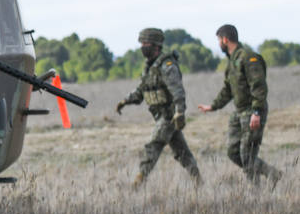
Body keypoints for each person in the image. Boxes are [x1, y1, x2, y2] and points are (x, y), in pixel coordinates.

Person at [116, 28, 200, 186]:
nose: (142, 46)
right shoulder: (149, 67)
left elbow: (178, 91)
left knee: (153, 145)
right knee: (182, 152)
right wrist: (125, 101)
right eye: (141, 43)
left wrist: (180, 112)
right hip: (160, 116)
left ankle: (138, 182)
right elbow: (142, 90)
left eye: (145, 43)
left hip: (168, 116)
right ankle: (198, 181)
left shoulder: (167, 65)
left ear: (155, 45)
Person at [198, 24, 281, 186]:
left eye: (218, 40)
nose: (218, 44)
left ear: (225, 39)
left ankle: (255, 193)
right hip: (240, 112)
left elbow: (259, 86)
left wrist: (256, 112)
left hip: (252, 111)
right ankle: (272, 173)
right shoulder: (232, 61)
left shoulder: (248, 58)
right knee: (233, 152)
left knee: (247, 154)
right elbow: (228, 90)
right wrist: (213, 106)